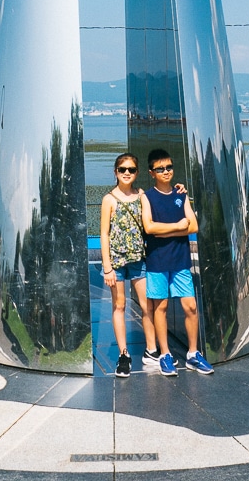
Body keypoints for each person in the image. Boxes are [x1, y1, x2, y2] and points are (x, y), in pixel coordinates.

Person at [140, 148, 214, 376]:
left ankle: (192, 353)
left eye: (169, 167)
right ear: (151, 172)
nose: (165, 172)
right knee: (160, 308)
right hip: (157, 262)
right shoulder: (147, 197)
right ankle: (165, 355)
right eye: (160, 168)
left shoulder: (181, 195)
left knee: (190, 306)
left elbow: (193, 226)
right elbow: (149, 227)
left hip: (180, 261)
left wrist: (167, 233)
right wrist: (178, 227)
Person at [100, 152, 159, 377]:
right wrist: (107, 267)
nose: (127, 173)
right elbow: (104, 234)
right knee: (120, 306)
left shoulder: (141, 195)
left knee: (147, 305)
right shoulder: (109, 199)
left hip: (138, 259)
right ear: (115, 172)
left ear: (137, 173)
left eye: (131, 170)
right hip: (116, 262)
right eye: (122, 169)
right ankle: (124, 354)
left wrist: (179, 189)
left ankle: (151, 349)